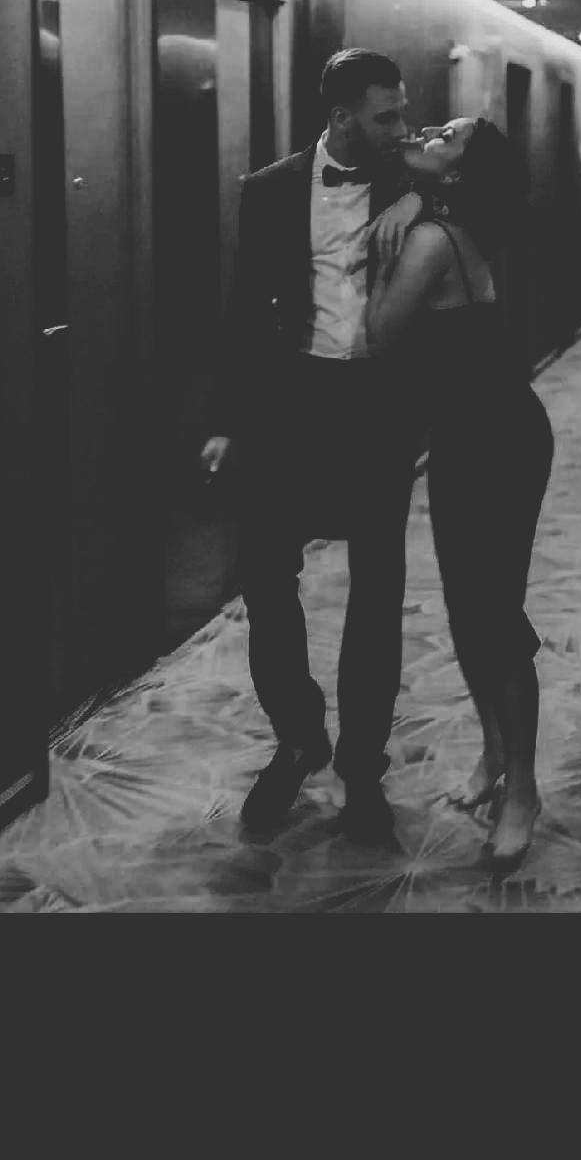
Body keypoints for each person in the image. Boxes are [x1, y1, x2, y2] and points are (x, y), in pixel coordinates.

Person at [200, 49, 424, 844]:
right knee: (267, 574)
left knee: (377, 588)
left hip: (378, 405)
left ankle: (362, 762)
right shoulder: (269, 188)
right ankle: (298, 736)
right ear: (340, 117)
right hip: (289, 402)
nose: (402, 126)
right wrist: (225, 419)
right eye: (386, 114)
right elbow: (241, 306)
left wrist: (422, 194)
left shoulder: (415, 176)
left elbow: (495, 188)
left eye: (402, 111)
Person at [365, 117, 554, 866]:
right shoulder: (450, 224)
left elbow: (380, 334)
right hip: (470, 437)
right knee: (468, 610)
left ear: (454, 176)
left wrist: (388, 250)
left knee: (494, 616)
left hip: (497, 441)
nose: (426, 131)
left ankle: (524, 790)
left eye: (446, 137)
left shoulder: (432, 242)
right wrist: (413, 196)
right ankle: (495, 753)